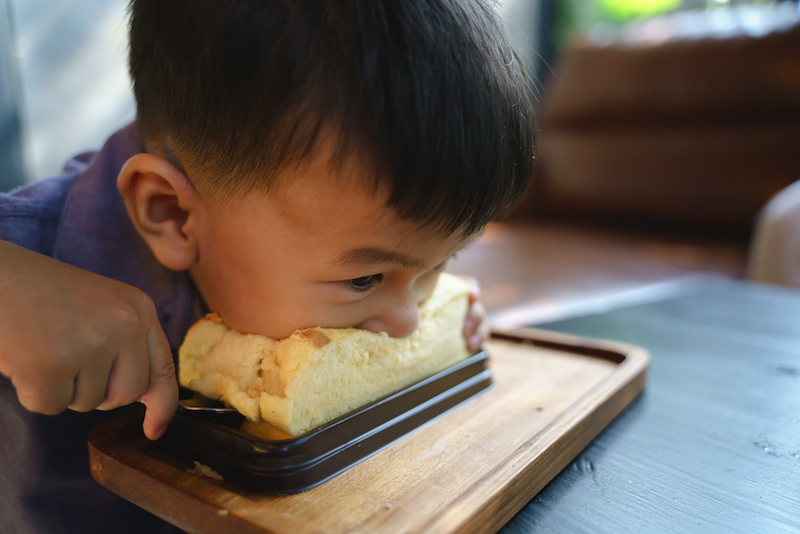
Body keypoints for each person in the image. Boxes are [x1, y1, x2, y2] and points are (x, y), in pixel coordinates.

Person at [0, 1, 537, 532]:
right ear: (172, 215)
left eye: (439, 263)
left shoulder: (323, 243)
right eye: (364, 278)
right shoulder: (29, 260)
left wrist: (440, 322)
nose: (406, 322)